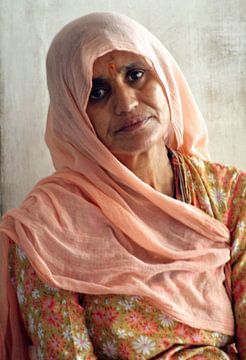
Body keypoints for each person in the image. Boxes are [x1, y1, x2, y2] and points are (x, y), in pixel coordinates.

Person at [0, 12, 245, 359]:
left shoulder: (229, 195)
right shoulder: (47, 225)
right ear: (74, 115)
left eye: (136, 75)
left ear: (163, 76)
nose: (126, 103)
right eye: (97, 92)